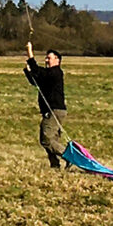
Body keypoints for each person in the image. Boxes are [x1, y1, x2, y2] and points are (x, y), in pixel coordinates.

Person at [24, 40, 67, 169]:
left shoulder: (56, 73)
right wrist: (28, 72)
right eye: (46, 58)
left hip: (55, 110)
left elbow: (39, 71)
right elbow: (36, 80)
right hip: (52, 111)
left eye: (49, 58)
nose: (47, 60)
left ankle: (68, 156)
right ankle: (55, 165)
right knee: (52, 140)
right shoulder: (49, 75)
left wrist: (30, 53)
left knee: (46, 139)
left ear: (57, 60)